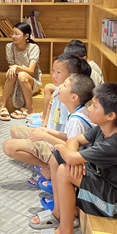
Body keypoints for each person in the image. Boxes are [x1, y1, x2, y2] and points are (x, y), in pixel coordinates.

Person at [29, 83, 117, 234]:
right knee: (57, 158)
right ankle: (58, 213)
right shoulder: (105, 129)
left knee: (65, 170)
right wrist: (72, 157)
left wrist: (67, 152)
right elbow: (74, 140)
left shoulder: (115, 143)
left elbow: (69, 153)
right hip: (110, 182)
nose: (89, 109)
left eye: (94, 106)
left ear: (110, 115)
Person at [9, 54, 92, 184]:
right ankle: (46, 164)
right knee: (15, 131)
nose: (54, 75)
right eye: (53, 71)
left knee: (9, 146)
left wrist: (45, 136)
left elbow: (70, 148)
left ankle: (48, 167)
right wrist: (46, 129)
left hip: (58, 148)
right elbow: (63, 132)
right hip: (54, 139)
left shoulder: (72, 109)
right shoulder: (62, 95)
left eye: (58, 72)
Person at [0, 22, 42, 121]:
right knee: (13, 73)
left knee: (22, 75)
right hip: (16, 79)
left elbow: (31, 71)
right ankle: (2, 105)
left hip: (31, 80)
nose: (13, 36)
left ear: (26, 36)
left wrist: (17, 66)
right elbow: (12, 68)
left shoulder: (33, 47)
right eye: (12, 33)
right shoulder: (9, 47)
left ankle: (29, 108)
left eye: (17, 34)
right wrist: (15, 68)